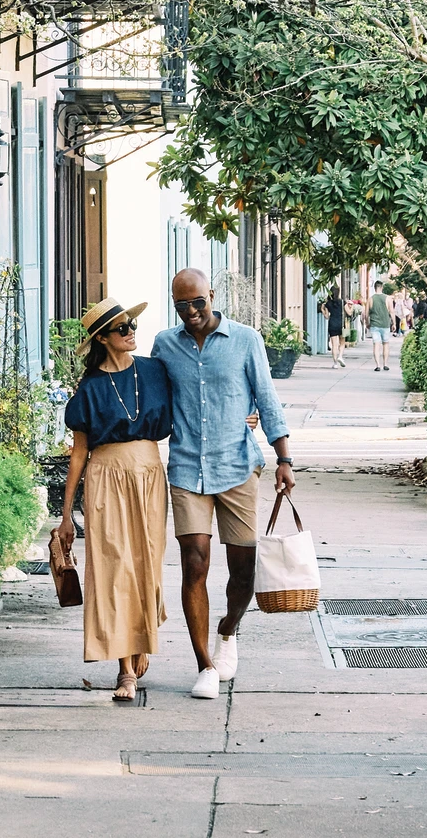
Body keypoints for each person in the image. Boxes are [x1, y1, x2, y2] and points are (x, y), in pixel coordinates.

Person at [152, 269, 295, 700]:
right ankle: (204, 665)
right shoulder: (165, 345)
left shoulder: (246, 340)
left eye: (198, 302)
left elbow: (267, 399)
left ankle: (228, 630)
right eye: (182, 305)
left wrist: (284, 459)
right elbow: (153, 400)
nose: (192, 312)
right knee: (194, 561)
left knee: (243, 571)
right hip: (186, 467)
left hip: (236, 467)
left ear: (211, 296)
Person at [59, 297, 172, 702]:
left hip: (148, 472)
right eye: (122, 329)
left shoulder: (155, 371)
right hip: (106, 476)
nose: (131, 333)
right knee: (113, 568)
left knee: (148, 564)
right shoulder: (89, 389)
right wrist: (66, 513)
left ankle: (141, 640)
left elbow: (196, 400)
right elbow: (78, 453)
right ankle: (125, 669)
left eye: (132, 326)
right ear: (103, 339)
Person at [320, 285, 352, 368]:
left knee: (334, 345)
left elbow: (327, 316)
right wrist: (351, 307)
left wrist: (322, 310)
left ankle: (335, 363)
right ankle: (340, 356)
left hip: (332, 324)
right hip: (341, 324)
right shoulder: (342, 302)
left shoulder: (328, 303)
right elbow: (349, 313)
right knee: (342, 342)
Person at [368, 280, 392, 371]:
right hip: (385, 324)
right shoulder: (388, 298)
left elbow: (366, 314)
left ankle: (378, 365)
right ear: (382, 288)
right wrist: (393, 322)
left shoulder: (370, 299)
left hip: (374, 325)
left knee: (376, 345)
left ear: (374, 288)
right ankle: (385, 364)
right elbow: (391, 311)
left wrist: (367, 323)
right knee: (385, 344)